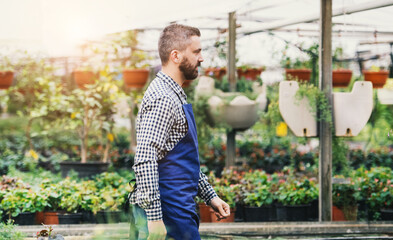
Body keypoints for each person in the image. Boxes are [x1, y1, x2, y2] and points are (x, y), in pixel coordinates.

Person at [128, 24, 230, 240]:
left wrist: (210, 196)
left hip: (177, 212)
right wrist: (155, 219)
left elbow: (179, 161)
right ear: (175, 56)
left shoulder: (176, 94)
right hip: (166, 217)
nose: (201, 58)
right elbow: (145, 158)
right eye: (196, 52)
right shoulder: (163, 98)